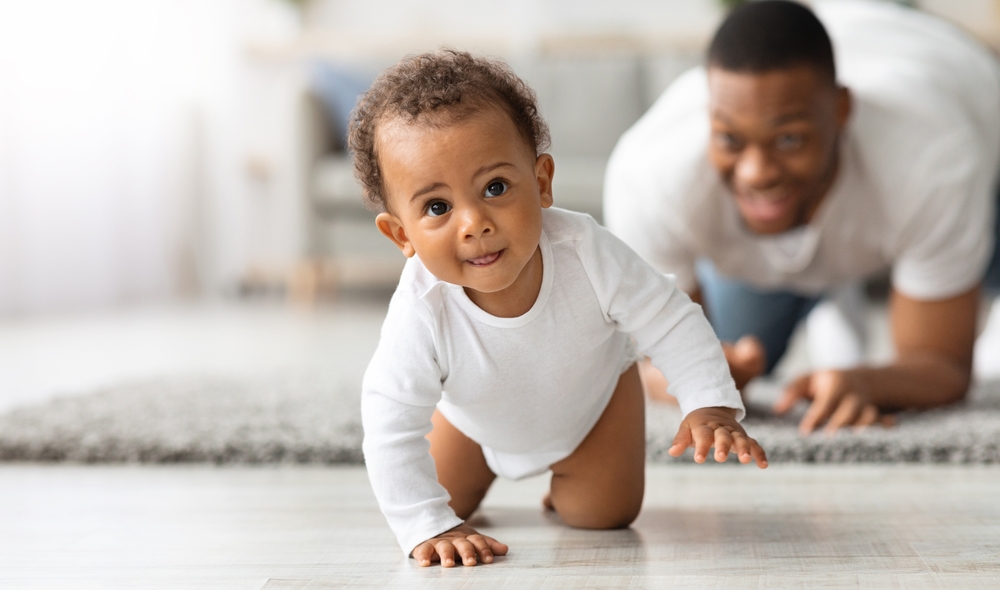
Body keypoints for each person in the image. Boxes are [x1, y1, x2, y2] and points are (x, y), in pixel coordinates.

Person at [351, 50, 767, 567]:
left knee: (604, 515)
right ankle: (459, 494)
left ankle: (570, 478)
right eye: (437, 207)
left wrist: (709, 404)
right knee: (438, 511)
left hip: (591, 411)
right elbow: (389, 421)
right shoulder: (421, 309)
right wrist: (424, 525)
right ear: (400, 234)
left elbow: (671, 317)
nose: (473, 223)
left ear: (542, 181)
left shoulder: (586, 252)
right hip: (472, 425)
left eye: (495, 188)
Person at [605, 0, 1000, 435]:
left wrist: (867, 382)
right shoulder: (649, 177)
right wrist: (697, 378)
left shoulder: (932, 160)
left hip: (963, 113)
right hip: (793, 229)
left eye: (789, 139)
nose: (756, 172)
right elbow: (644, 367)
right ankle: (831, 300)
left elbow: (942, 364)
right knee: (732, 358)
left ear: (842, 112)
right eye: (731, 140)